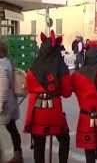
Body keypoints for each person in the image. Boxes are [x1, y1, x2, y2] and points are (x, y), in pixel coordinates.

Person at [24, 31, 72, 163]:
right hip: (54, 112)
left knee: (39, 145)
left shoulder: (32, 68)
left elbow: (28, 88)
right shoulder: (60, 67)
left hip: (36, 112)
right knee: (65, 139)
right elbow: (67, 93)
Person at [0, 41, 23, 163]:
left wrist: (0, 105)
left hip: (4, 104)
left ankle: (13, 156)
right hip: (11, 102)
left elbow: (3, 85)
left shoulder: (1, 64)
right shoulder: (8, 62)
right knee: (12, 129)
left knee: (7, 131)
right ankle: (18, 154)